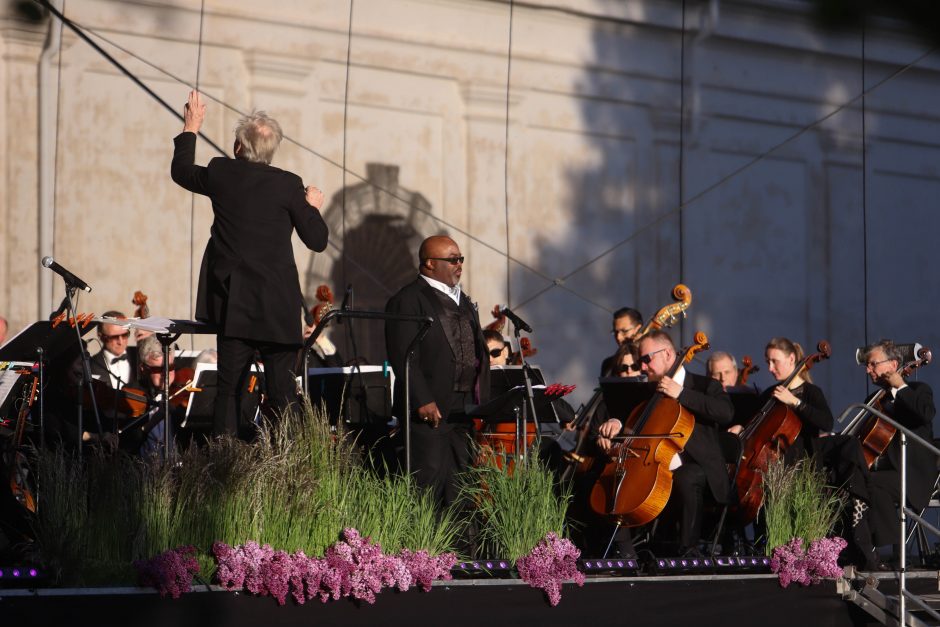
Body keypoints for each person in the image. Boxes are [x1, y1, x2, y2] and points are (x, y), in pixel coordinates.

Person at [171, 90, 329, 437]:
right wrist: (312, 207)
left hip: (236, 304)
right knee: (283, 393)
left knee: (229, 388)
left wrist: (192, 126)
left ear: (238, 147)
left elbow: (181, 171)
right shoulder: (289, 185)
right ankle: (289, 467)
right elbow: (317, 240)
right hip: (277, 305)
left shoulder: (222, 172)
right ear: (271, 153)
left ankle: (224, 462)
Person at [597, 331, 734, 554]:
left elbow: (726, 412)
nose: (642, 367)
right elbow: (627, 416)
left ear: (668, 353)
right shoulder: (649, 392)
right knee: (615, 476)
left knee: (687, 476)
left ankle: (688, 550)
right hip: (655, 465)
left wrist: (681, 393)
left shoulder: (704, 386)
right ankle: (626, 553)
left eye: (646, 359)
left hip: (700, 469)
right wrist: (615, 421)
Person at [385, 235, 490, 508]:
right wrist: (421, 399)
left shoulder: (463, 300)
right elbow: (402, 355)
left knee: (462, 483)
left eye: (461, 259)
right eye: (452, 259)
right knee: (428, 482)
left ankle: (459, 547)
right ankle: (423, 547)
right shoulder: (408, 299)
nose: (459, 265)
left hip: (463, 408)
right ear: (430, 263)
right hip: (430, 407)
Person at [736, 337, 833, 458]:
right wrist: (741, 428)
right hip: (773, 464)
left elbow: (827, 423)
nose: (770, 368)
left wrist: (795, 402)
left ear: (791, 359)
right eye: (768, 362)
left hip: (804, 464)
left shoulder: (811, 392)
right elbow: (755, 424)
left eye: (775, 361)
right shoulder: (769, 393)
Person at [88, 311, 138, 390]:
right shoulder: (91, 365)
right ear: (100, 336)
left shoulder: (139, 356)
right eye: (114, 337)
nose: (120, 342)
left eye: (125, 335)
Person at [600, 307, 643, 376]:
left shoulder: (647, 361)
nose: (618, 337)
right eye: (616, 332)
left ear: (638, 329)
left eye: (624, 331)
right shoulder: (608, 364)